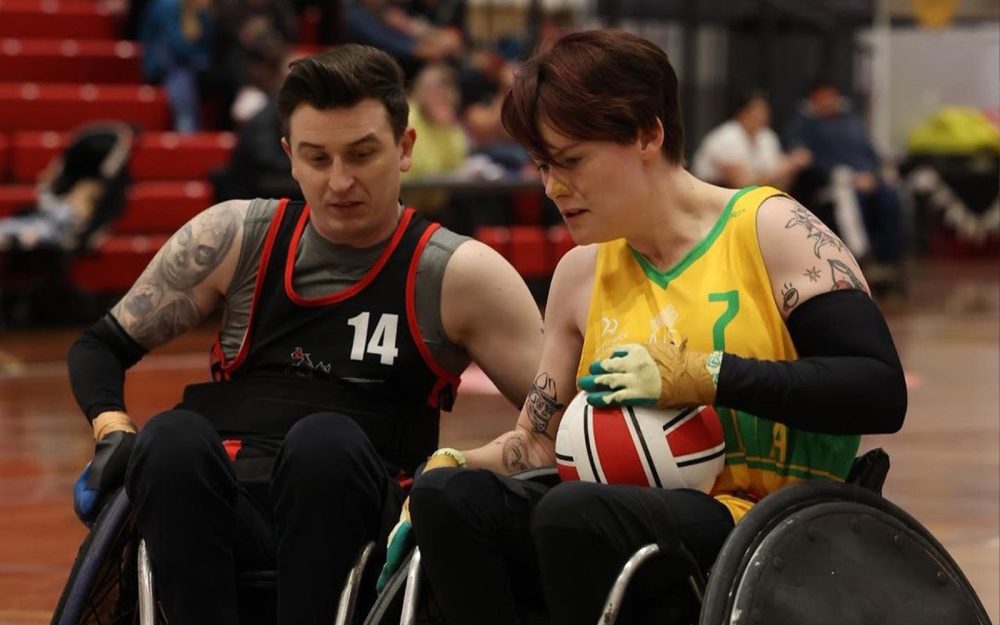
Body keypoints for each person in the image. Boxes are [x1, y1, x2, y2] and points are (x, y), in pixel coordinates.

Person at [386, 30, 907, 625]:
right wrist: (456, 462)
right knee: (450, 499)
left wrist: (704, 374)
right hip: (621, 513)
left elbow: (879, 391)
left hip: (770, 526)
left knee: (574, 512)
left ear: (647, 133)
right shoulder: (580, 273)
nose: (553, 188)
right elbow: (535, 440)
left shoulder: (772, 229)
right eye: (542, 166)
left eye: (571, 160)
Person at [66, 44, 543, 625]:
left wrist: (470, 463)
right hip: (226, 506)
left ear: (405, 148)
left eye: (361, 154)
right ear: (290, 156)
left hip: (360, 516)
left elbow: (559, 418)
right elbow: (100, 346)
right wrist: (111, 428)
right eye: (318, 158)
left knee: (323, 444)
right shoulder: (234, 236)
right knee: (168, 439)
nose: (340, 181)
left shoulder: (458, 274)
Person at [784, 80, 907, 295]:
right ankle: (859, 262)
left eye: (833, 95)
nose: (830, 101)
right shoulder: (803, 126)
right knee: (852, 200)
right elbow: (808, 162)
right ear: (814, 98)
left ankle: (889, 263)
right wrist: (850, 178)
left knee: (890, 196)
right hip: (836, 186)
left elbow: (871, 154)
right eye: (824, 96)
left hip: (869, 179)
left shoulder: (852, 122)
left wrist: (875, 175)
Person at [692, 90, 812, 190]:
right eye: (757, 111)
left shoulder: (767, 137)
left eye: (765, 111)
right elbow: (741, 185)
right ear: (742, 113)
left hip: (753, 200)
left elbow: (780, 186)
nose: (763, 116)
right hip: (716, 198)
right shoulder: (726, 138)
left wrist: (792, 167)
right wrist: (787, 165)